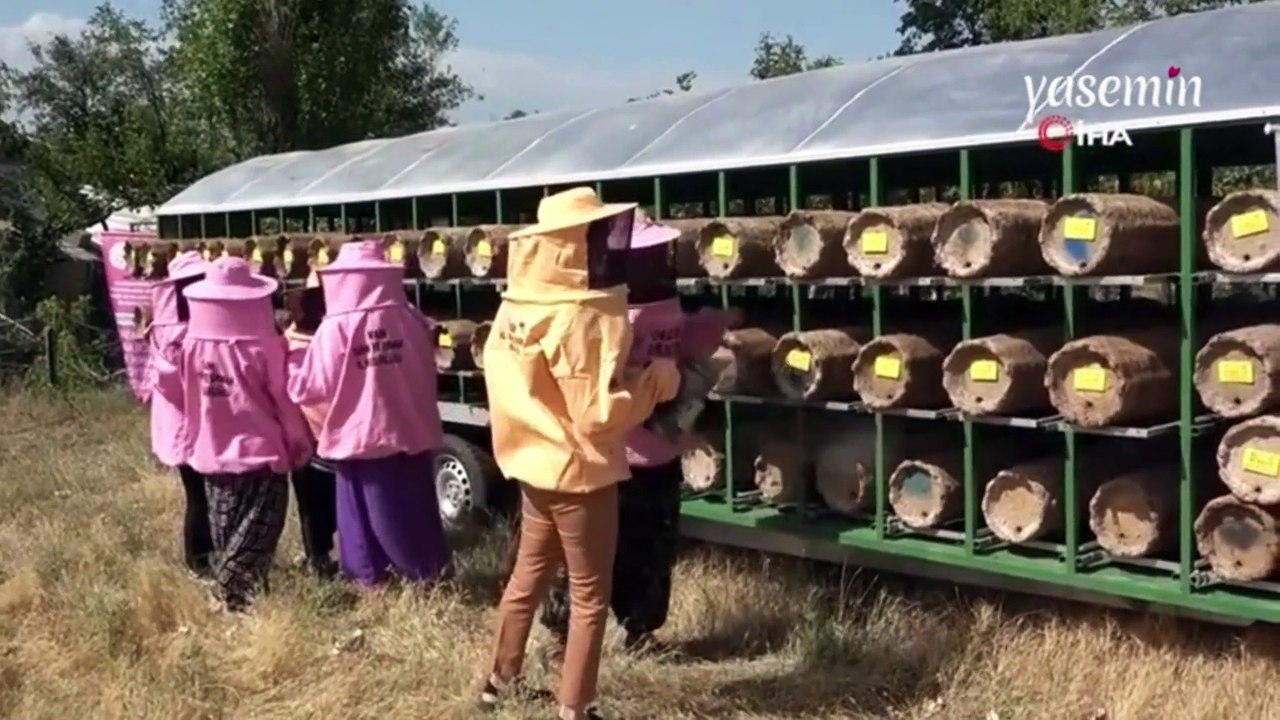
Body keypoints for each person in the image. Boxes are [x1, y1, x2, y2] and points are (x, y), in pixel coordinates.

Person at [478, 187, 680, 720]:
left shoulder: (517, 308)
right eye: (598, 234)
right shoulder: (582, 317)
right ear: (577, 244)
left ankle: (498, 682)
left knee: (527, 577)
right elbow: (597, 414)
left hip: (533, 465)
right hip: (579, 473)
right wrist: (655, 385)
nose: (607, 244)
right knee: (591, 595)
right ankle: (576, 707)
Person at [518, 212, 740, 670]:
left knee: (651, 547)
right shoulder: (597, 313)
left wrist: (708, 332)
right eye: (647, 255)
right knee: (585, 558)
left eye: (658, 255)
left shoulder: (665, 306)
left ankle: (639, 630)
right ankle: (559, 640)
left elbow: (682, 350)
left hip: (656, 453)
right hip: (610, 456)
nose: (656, 262)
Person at [287, 239, 451, 588]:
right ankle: (431, 576)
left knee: (363, 520)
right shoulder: (411, 317)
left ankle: (378, 584)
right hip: (410, 430)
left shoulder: (335, 327)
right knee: (417, 510)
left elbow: (307, 388)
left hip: (359, 437)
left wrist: (290, 363)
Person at [152, 256, 314, 612]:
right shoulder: (267, 347)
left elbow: (176, 394)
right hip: (262, 457)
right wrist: (299, 443)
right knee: (255, 539)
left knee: (228, 537)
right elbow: (284, 402)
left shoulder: (189, 347)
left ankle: (245, 607)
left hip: (212, 457)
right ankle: (231, 599)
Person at [143, 250, 214, 580]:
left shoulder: (163, 329)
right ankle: (199, 560)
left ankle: (201, 559)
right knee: (202, 496)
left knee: (198, 494)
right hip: (192, 428)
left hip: (179, 428)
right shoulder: (183, 333)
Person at [282, 277, 339, 578]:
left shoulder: (293, 339)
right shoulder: (292, 341)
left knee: (317, 504)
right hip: (312, 437)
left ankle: (321, 557)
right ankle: (318, 559)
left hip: (321, 435)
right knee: (316, 503)